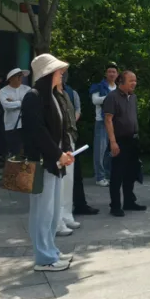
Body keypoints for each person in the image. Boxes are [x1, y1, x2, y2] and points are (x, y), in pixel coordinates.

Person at [21, 54, 76, 272]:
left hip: (54, 162)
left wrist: (65, 151)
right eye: (58, 71)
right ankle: (44, 258)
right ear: (48, 73)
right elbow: (38, 132)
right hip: (42, 162)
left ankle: (50, 250)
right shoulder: (33, 97)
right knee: (42, 212)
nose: (61, 74)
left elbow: (60, 129)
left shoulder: (53, 96)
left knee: (52, 212)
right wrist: (57, 153)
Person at [103, 70, 144, 217]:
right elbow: (108, 120)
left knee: (131, 173)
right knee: (117, 174)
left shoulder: (133, 97)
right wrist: (113, 142)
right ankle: (115, 206)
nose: (134, 83)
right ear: (121, 81)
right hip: (120, 140)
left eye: (135, 80)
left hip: (133, 139)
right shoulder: (112, 97)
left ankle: (129, 201)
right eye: (131, 80)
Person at [63, 79, 99, 217]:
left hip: (71, 135)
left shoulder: (71, 92)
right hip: (58, 139)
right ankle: (62, 211)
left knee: (76, 174)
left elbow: (77, 109)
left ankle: (80, 204)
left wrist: (73, 120)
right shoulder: (47, 93)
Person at [55, 72, 83, 236]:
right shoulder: (48, 95)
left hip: (68, 140)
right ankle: (57, 220)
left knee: (68, 180)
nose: (62, 77)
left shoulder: (66, 93)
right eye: (59, 74)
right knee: (58, 182)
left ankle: (66, 215)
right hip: (56, 143)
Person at [89, 64, 119, 186]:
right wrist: (111, 97)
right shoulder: (98, 86)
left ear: (117, 74)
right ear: (106, 74)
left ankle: (108, 175)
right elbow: (95, 100)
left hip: (115, 122)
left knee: (111, 150)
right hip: (101, 121)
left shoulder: (118, 88)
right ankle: (99, 177)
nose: (112, 74)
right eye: (109, 71)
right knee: (100, 150)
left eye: (114, 72)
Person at [0, 67, 31, 158]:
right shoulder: (3, 91)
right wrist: (21, 102)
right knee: (14, 152)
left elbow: (30, 104)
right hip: (11, 125)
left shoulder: (27, 89)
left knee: (26, 151)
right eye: (18, 76)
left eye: (21, 76)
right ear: (11, 78)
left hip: (25, 124)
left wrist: (14, 102)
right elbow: (6, 105)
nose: (20, 78)